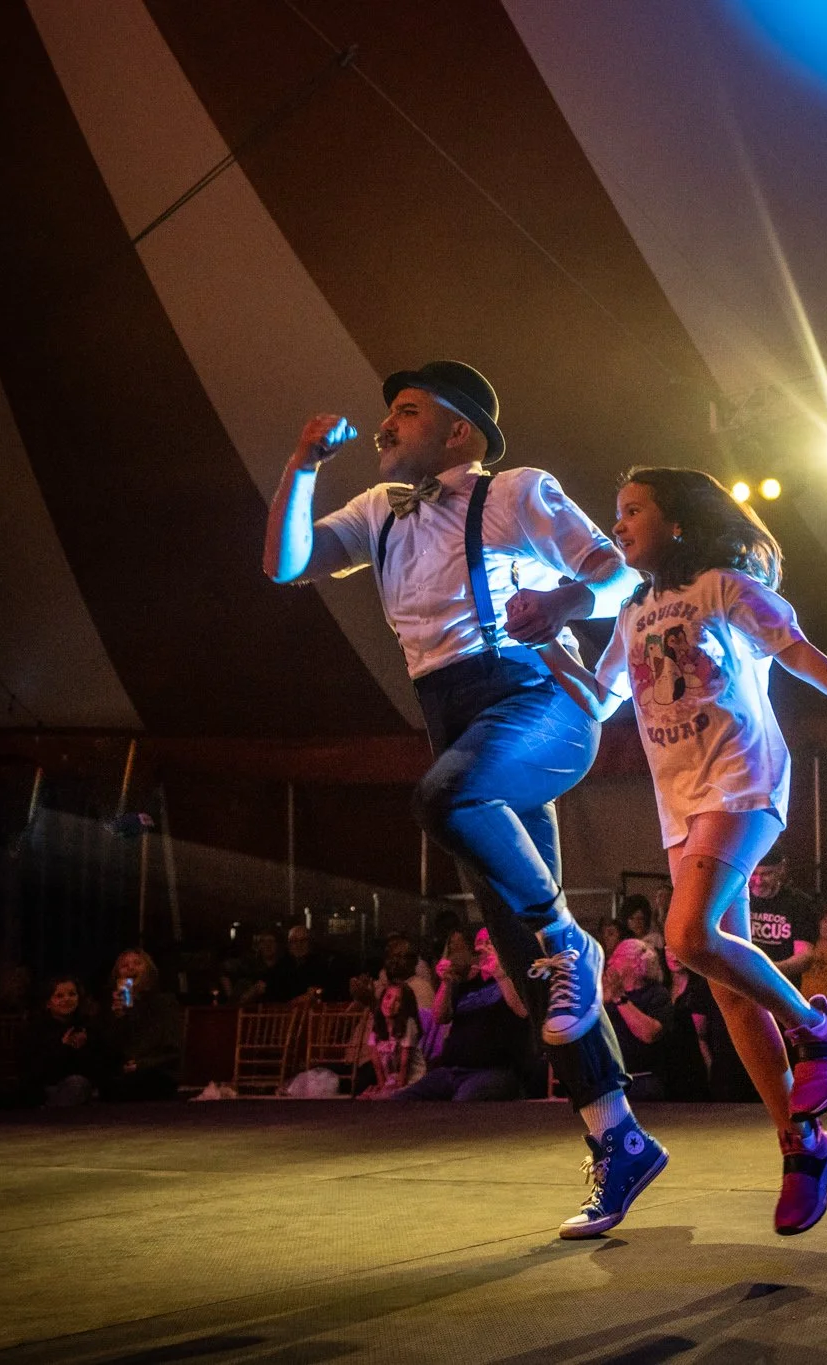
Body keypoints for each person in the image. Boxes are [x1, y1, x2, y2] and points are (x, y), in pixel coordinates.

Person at [262, 364, 652, 1235]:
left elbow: (618, 573)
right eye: (387, 412)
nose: (384, 425)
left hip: (537, 705)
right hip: (457, 724)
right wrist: (302, 466)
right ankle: (617, 1137)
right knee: (529, 961)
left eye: (406, 411)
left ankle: (569, 936)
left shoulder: (514, 491)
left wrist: (566, 598)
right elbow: (286, 563)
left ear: (459, 432)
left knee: (446, 803)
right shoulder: (378, 509)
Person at [545, 466, 827, 1235]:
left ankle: (822, 1027)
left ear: (678, 522)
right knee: (725, 982)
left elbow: (798, 651)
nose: (619, 524)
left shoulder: (721, 588)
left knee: (686, 935)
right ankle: (802, 1144)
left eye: (634, 510)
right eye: (616, 512)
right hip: (681, 800)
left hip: (743, 780)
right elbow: (601, 699)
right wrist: (545, 644)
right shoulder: (632, 611)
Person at [398, 928, 533, 1102]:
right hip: (451, 1071)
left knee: (461, 1106)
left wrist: (500, 975)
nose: (481, 948)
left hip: (495, 1071)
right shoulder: (465, 984)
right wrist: (446, 982)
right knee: (400, 1101)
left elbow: (522, 1011)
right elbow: (439, 1017)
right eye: (479, 942)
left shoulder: (517, 977)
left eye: (488, 943)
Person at [98, 949, 183, 1102]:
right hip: (124, 1073)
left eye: (137, 963)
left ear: (149, 970)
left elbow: (172, 1050)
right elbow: (109, 1049)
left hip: (156, 1071)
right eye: (124, 965)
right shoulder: (112, 1007)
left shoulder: (164, 1002)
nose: (131, 968)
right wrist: (119, 1018)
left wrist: (141, 1064)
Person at [604, 939, 675, 1101]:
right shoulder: (608, 994)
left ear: (634, 963)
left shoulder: (656, 994)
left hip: (642, 1081)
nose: (610, 962)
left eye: (616, 956)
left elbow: (649, 1034)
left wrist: (620, 999)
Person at [26, 975, 105, 1107]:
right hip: (49, 1088)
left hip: (87, 1085)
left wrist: (86, 1045)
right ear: (48, 1002)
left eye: (72, 994)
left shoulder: (86, 1025)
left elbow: (98, 1064)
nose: (67, 999)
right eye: (59, 996)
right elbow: (37, 1071)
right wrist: (63, 1047)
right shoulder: (37, 1029)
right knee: (77, 1084)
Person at [747, 854, 818, 983]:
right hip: (741, 985)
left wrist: (769, 971)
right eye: (754, 873)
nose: (758, 881)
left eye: (766, 874)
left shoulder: (799, 903)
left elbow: (805, 956)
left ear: (781, 869)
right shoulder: (739, 898)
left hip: (781, 986)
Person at [659, 945, 716, 1101]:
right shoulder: (661, 986)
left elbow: (701, 1037)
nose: (674, 956)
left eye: (678, 950)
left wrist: (710, 1074)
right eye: (669, 950)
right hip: (666, 1061)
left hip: (692, 1062)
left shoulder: (699, 988)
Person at [356, 979, 428, 1099]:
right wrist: (382, 1087)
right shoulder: (378, 1024)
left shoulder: (408, 1023)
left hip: (412, 1081)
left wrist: (395, 1090)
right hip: (392, 1081)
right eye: (388, 997)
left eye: (398, 1001)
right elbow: (376, 1062)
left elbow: (405, 1063)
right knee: (365, 1097)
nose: (390, 1004)